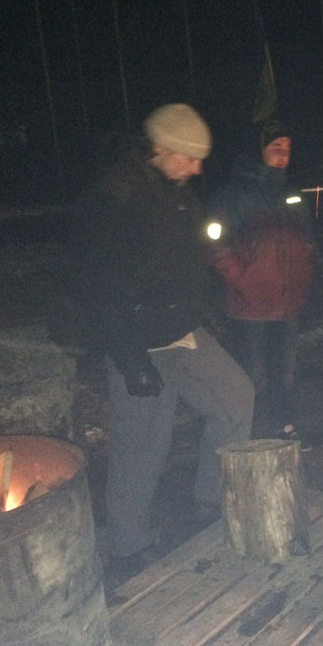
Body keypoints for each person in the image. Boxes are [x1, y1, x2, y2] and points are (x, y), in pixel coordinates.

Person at [70, 103, 254, 579]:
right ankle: (127, 547)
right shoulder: (113, 199)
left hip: (184, 332)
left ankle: (210, 500)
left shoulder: (178, 194)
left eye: (199, 160)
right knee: (142, 447)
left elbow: (187, 262)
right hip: (139, 344)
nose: (196, 169)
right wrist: (131, 361)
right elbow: (98, 289)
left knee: (236, 399)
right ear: (158, 148)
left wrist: (205, 309)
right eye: (188, 158)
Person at [209, 119, 316, 443]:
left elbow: (306, 237)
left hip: (287, 300)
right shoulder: (233, 194)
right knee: (250, 375)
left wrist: (304, 271)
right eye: (275, 146)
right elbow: (215, 241)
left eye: (287, 148)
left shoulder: (291, 193)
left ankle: (282, 426)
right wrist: (242, 278)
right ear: (259, 150)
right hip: (250, 304)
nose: (283, 154)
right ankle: (247, 434)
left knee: (284, 371)